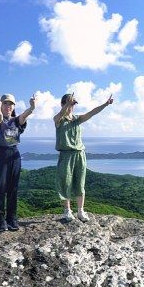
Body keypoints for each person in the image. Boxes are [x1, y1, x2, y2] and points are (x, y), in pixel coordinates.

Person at [53, 92, 113, 222]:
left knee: (80, 182)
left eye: (73, 104)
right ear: (63, 104)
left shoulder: (76, 119)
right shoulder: (58, 120)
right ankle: (67, 211)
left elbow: (91, 113)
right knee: (65, 182)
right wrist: (66, 105)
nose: (72, 106)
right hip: (66, 154)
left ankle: (80, 211)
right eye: (69, 104)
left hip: (80, 154)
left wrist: (106, 104)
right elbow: (60, 115)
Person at [0, 93, 36, 231]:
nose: (8, 106)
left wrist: (32, 107)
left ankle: (12, 218)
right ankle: (0, 220)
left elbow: (23, 116)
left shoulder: (16, 120)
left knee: (13, 189)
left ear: (13, 106)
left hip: (14, 154)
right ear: (1, 104)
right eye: (5, 103)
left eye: (10, 104)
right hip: (0, 154)